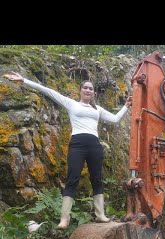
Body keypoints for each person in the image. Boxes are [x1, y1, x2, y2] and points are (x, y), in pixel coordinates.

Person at [3, 71, 132, 229]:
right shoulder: (72, 104)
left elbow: (115, 119)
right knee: (72, 178)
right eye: (85, 88)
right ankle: (64, 219)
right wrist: (24, 80)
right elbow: (48, 91)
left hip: (94, 145)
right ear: (80, 90)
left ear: (93, 93)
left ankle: (100, 215)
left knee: (97, 179)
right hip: (77, 144)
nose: (88, 90)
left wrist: (126, 106)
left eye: (91, 89)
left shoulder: (97, 109)